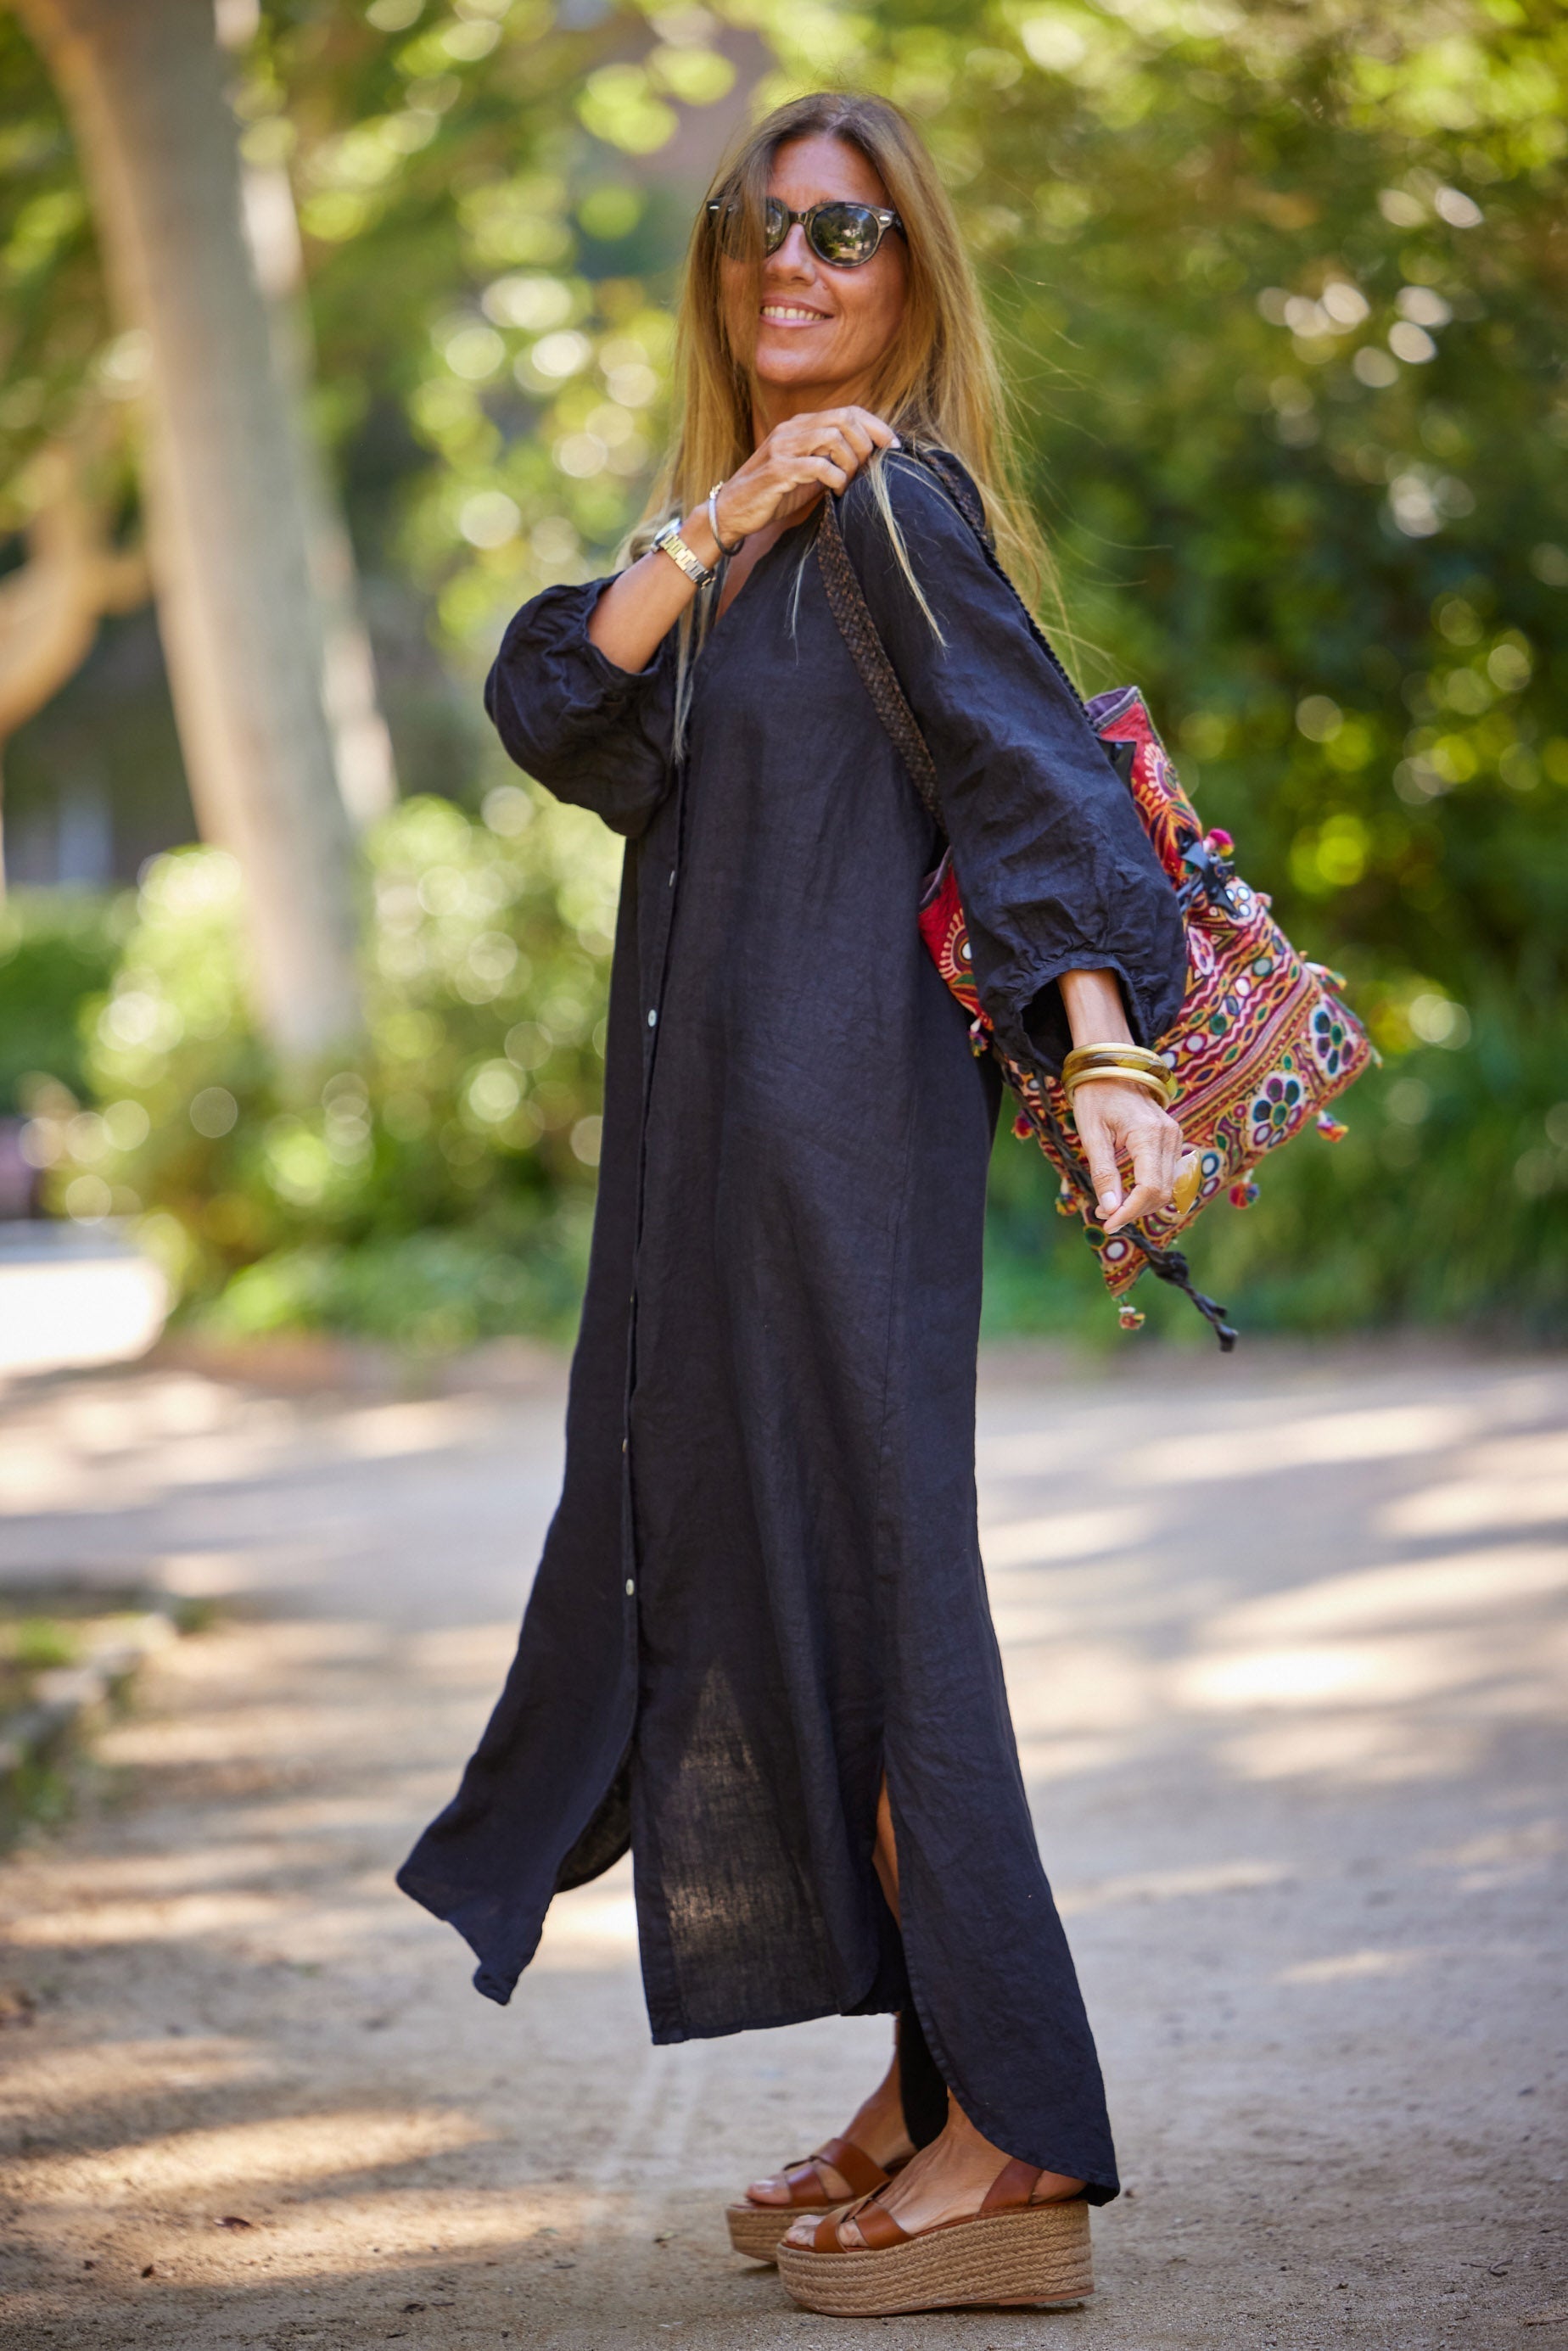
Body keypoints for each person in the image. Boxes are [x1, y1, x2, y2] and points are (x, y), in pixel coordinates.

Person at [399, 87, 1190, 2317]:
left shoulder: (900, 508)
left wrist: (1107, 1049)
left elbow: (1034, 788)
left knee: (892, 1611)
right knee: (800, 1600)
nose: (795, 260)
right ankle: (935, 2101)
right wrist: (725, 504)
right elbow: (556, 701)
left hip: (846, 1168)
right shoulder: (761, 538)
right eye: (763, 222)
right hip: (716, 1188)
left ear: (913, 270)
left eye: (848, 230)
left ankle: (1020, 2128)